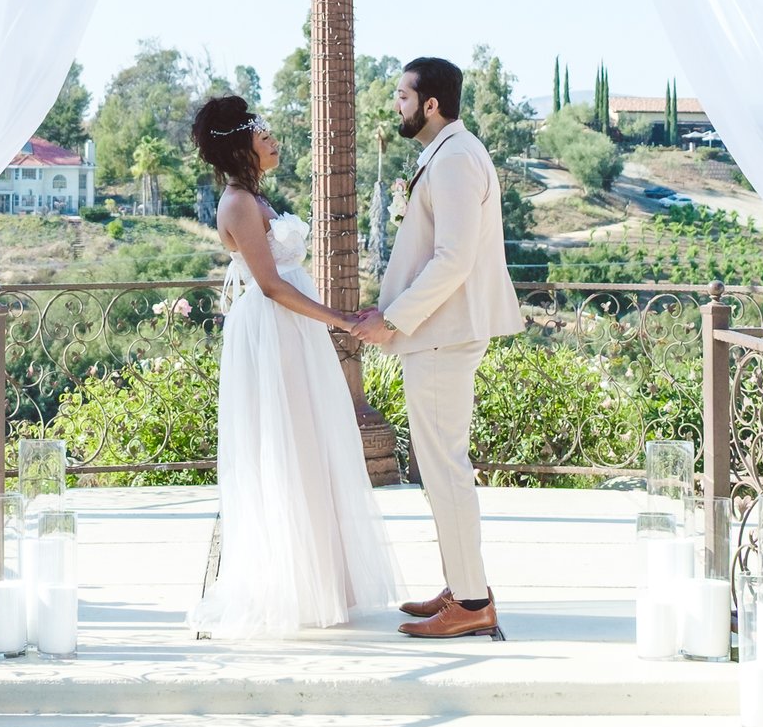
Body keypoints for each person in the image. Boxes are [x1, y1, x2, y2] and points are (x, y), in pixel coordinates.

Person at [186, 95, 396, 638]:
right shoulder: (237, 204)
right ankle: (288, 581)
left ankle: (321, 579)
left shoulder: (255, 198)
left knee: (311, 440)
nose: (273, 139)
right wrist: (341, 319)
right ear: (240, 144)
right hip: (274, 334)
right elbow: (272, 286)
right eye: (262, 132)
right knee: (286, 443)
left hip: (293, 334)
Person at [350, 56, 523, 640]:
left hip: (441, 336)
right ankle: (461, 583)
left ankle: (472, 601)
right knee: (440, 465)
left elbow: (454, 258)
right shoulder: (449, 153)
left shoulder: (454, 159)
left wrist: (393, 320)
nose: (394, 104)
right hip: (438, 335)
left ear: (430, 104)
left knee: (445, 468)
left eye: (402, 95)